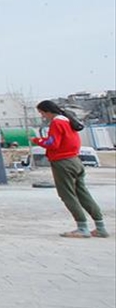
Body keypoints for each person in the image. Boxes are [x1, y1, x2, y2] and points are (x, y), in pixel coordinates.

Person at [31, 100, 107, 238]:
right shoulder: (68, 121)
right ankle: (100, 226)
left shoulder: (56, 123)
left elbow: (52, 143)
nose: (42, 116)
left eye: (42, 113)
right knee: (83, 194)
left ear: (47, 111)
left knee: (67, 195)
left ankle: (82, 227)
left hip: (63, 162)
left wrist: (37, 141)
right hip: (75, 160)